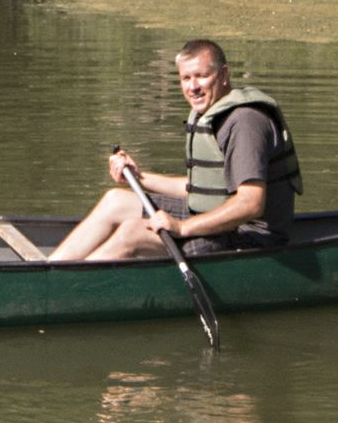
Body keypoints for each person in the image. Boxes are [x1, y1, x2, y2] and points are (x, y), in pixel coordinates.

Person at [48, 39, 301, 263]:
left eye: (202, 76)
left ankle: (65, 290)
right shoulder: (211, 113)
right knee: (115, 201)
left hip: (249, 237)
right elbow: (200, 189)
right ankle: (50, 271)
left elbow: (250, 204)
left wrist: (181, 227)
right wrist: (139, 178)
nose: (193, 87)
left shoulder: (245, 123)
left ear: (224, 74)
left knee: (132, 232)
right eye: (186, 78)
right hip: (214, 220)